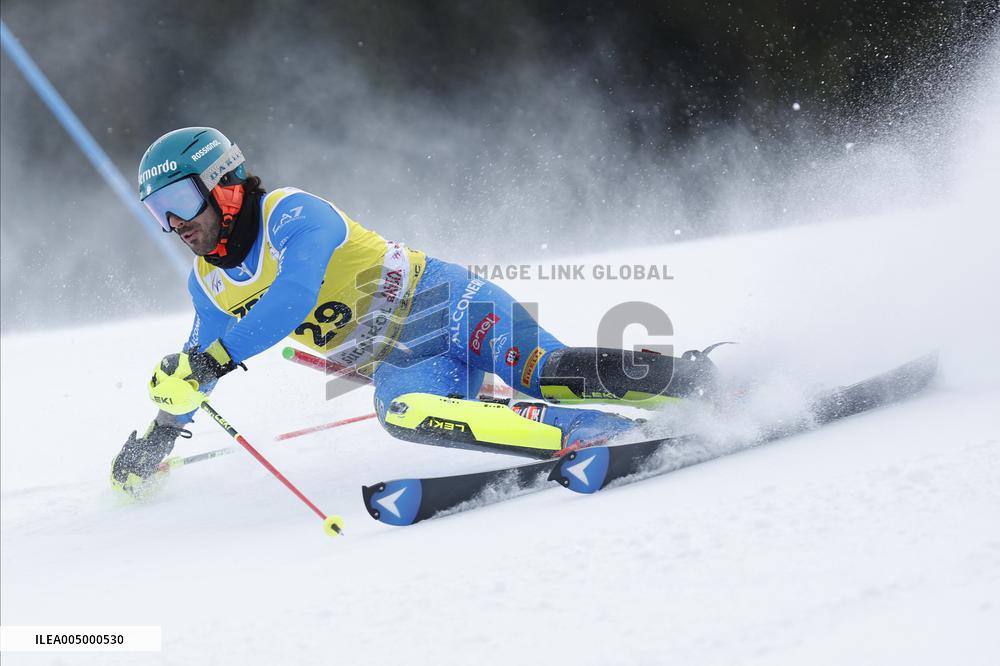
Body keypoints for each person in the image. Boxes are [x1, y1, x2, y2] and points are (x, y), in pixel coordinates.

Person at [111, 127, 719, 496]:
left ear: (224, 184)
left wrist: (216, 358)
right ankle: (593, 436)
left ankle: (692, 383)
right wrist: (157, 437)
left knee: (542, 368)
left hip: (448, 307)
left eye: (179, 201)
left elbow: (290, 298)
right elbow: (197, 370)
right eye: (156, 212)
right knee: (401, 411)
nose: (173, 225)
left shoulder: (294, 214)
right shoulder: (208, 286)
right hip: (403, 362)